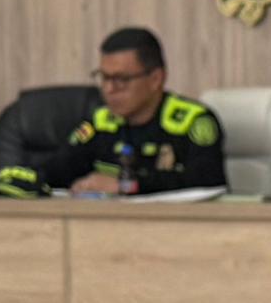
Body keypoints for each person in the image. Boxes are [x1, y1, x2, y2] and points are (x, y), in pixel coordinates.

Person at [62, 27, 225, 196]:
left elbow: (208, 181)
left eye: (121, 79)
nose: (109, 89)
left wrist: (127, 186)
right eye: (104, 77)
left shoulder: (193, 121)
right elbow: (60, 167)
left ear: (156, 79)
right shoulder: (100, 121)